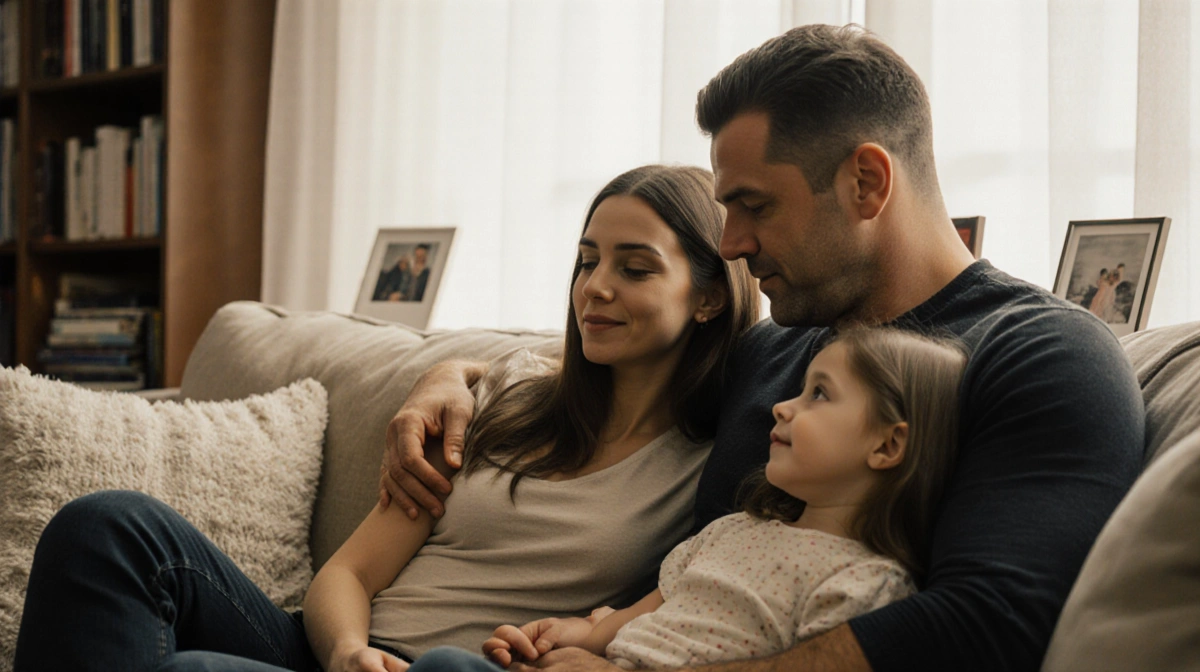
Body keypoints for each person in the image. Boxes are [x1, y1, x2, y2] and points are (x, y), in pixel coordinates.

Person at [379, 24, 1144, 672]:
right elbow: (600, 357)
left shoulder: (1041, 355)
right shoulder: (775, 348)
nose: (732, 244)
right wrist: (449, 375)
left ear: (867, 183)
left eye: (753, 206)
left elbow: (993, 624)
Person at [12, 164, 758, 672]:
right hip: (336, 648)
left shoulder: (711, 463)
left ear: (709, 296)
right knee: (104, 526)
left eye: (634, 267)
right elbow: (351, 572)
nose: (594, 288)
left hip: (450, 669)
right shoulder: (512, 392)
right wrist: (344, 652)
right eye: (586, 260)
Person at [475, 328, 968, 671]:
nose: (782, 405)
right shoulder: (734, 530)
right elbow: (631, 619)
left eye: (819, 394)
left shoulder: (865, 584)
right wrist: (558, 637)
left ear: (887, 445)